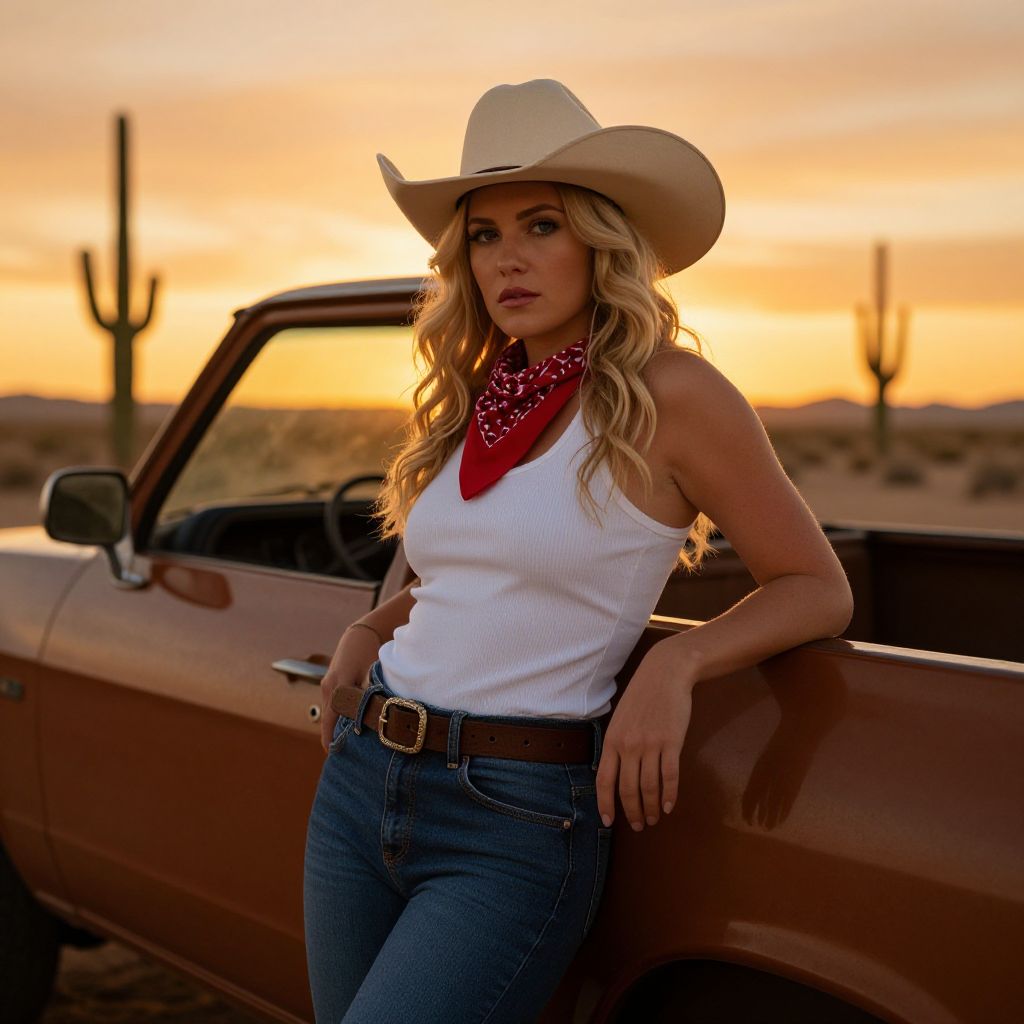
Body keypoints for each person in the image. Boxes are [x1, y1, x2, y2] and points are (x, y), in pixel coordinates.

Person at [302, 79, 853, 1023]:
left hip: (511, 812)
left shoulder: (673, 394)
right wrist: (371, 624)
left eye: (542, 225)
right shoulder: (484, 395)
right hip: (363, 777)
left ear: (601, 239)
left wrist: (678, 660)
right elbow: (467, 580)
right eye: (484, 234)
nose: (508, 258)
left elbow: (814, 587)